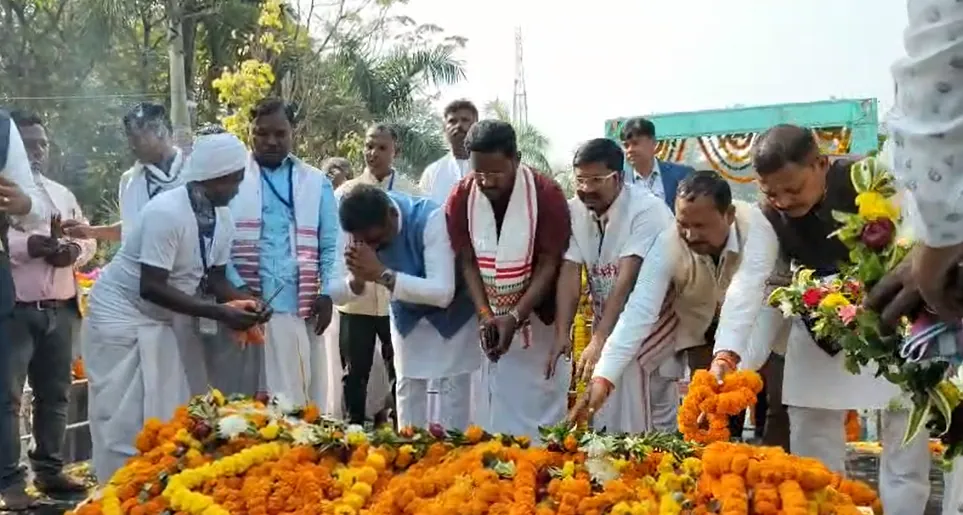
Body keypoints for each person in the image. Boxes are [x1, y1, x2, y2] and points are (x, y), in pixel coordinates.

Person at [725, 124, 935, 514]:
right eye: (772, 192)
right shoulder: (767, 216)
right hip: (816, 326)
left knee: (904, 442)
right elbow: (750, 281)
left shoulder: (871, 179)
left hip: (892, 321)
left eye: (793, 188)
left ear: (821, 163)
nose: (783, 201)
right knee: (813, 453)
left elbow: (918, 239)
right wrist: (729, 355)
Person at [81, 133, 265, 482]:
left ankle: (161, 488)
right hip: (120, 316)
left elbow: (213, 278)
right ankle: (116, 491)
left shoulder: (221, 218)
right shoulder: (166, 212)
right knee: (124, 417)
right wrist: (220, 312)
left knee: (172, 408)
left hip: (165, 317)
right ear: (214, 177)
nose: (239, 188)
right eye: (235, 179)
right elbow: (150, 287)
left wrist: (244, 302)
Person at [566, 170, 779, 434]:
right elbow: (638, 311)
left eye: (700, 226)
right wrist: (603, 379)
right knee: (705, 415)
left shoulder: (755, 228)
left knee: (749, 403)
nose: (689, 235)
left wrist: (724, 359)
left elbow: (744, 296)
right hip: (700, 328)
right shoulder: (669, 243)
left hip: (760, 319)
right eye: (683, 224)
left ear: (729, 216)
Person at [446, 119, 572, 440]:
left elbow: (549, 261)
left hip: (538, 319)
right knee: (495, 403)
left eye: (496, 173)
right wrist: (487, 315)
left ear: (516, 158)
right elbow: (467, 260)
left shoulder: (547, 195)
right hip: (488, 315)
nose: (487, 182)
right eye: (480, 173)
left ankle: (541, 469)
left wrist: (515, 316)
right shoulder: (462, 197)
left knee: (539, 400)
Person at [0, 112, 97, 508]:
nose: (36, 151)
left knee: (55, 396)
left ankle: (50, 471)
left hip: (61, 307)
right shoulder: (7, 190)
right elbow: (9, 240)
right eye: (28, 144)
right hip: (16, 310)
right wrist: (30, 248)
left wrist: (74, 251)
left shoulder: (60, 193)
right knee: (7, 400)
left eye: (41, 143)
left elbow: (87, 236)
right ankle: (9, 481)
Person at [549, 138, 673, 432]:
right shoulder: (574, 209)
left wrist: (601, 339)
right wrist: (562, 331)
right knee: (608, 410)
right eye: (579, 180)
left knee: (649, 417)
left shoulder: (647, 210)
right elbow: (570, 269)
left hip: (651, 322)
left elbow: (626, 279)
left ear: (617, 178)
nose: (585, 189)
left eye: (595, 180)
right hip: (608, 321)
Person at [225, 97, 342, 407]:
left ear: (294, 132)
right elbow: (216, 245)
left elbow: (331, 245)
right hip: (242, 310)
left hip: (296, 310)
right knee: (243, 406)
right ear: (249, 133)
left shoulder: (316, 183)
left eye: (280, 133)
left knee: (294, 402)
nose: (271, 141)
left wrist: (327, 292)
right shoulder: (231, 179)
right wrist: (237, 287)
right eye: (261, 133)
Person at [337, 185, 477, 430]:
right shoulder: (359, 228)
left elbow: (443, 292)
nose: (374, 247)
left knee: (452, 397)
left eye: (377, 240)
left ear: (392, 214)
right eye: (365, 242)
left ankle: (457, 460)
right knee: (408, 390)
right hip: (407, 316)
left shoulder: (431, 219)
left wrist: (381, 274)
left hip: (452, 317)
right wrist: (358, 275)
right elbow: (352, 290)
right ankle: (410, 457)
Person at [335, 124, 419, 424]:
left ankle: (403, 434)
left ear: (395, 150)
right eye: (369, 146)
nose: (374, 153)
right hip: (355, 301)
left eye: (382, 147)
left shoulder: (411, 193)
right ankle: (351, 435)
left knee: (399, 368)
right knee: (353, 372)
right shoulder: (345, 193)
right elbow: (336, 245)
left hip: (396, 300)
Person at [0, 110, 56, 510]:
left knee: (7, 394)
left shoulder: (2, 128)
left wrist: (22, 203)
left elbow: (31, 207)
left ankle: (9, 479)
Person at [63, 103, 184, 242]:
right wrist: (91, 232)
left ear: (161, 131)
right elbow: (131, 230)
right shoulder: (129, 181)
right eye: (129, 137)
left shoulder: (197, 170)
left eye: (137, 136)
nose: (132, 145)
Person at [618, 117, 694, 211]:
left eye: (635, 143)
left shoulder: (682, 175)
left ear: (653, 142)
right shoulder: (619, 182)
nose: (630, 150)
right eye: (626, 146)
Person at [420, 99, 478, 205]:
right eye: (452, 121)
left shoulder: (489, 171)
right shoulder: (432, 173)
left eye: (465, 120)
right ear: (444, 128)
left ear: (477, 127)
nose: (458, 125)